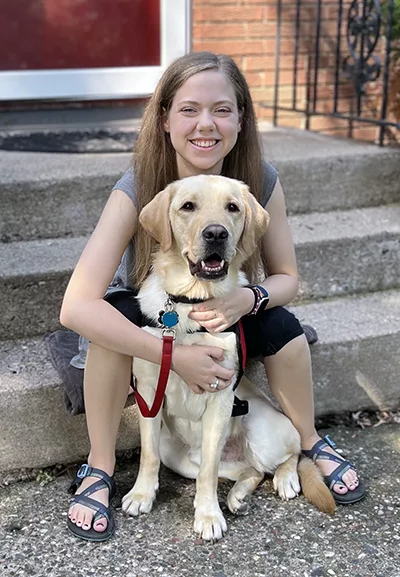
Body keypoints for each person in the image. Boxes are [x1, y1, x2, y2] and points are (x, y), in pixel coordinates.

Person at [61, 51, 364, 542]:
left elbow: (288, 277)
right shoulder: (139, 185)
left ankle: (308, 442)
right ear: (164, 119)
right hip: (150, 315)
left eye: (222, 109)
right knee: (110, 326)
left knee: (283, 324)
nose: (207, 124)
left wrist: (251, 299)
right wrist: (173, 356)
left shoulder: (258, 182)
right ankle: (99, 465)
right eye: (189, 109)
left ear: (241, 119)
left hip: (223, 304)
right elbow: (76, 306)